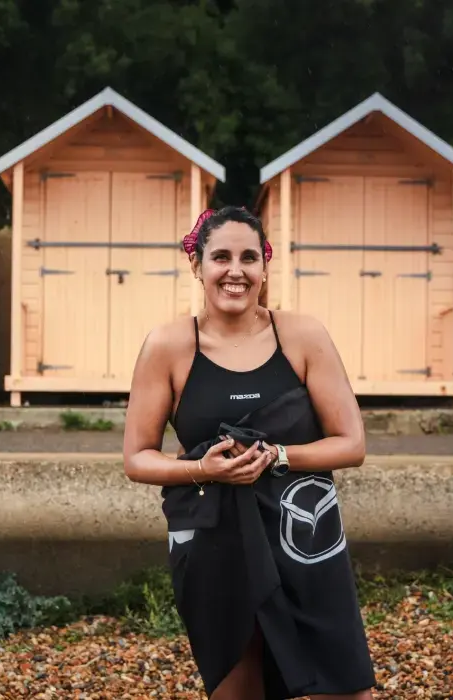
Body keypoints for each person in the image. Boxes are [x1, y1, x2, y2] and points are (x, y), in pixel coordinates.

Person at [123, 205, 376, 700]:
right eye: (220, 257)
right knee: (239, 686)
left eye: (249, 257)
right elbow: (137, 458)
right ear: (197, 266)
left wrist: (277, 456)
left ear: (265, 266)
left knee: (344, 686)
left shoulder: (302, 335)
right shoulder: (169, 346)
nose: (235, 270)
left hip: (304, 535)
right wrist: (203, 469)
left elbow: (352, 444)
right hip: (215, 542)